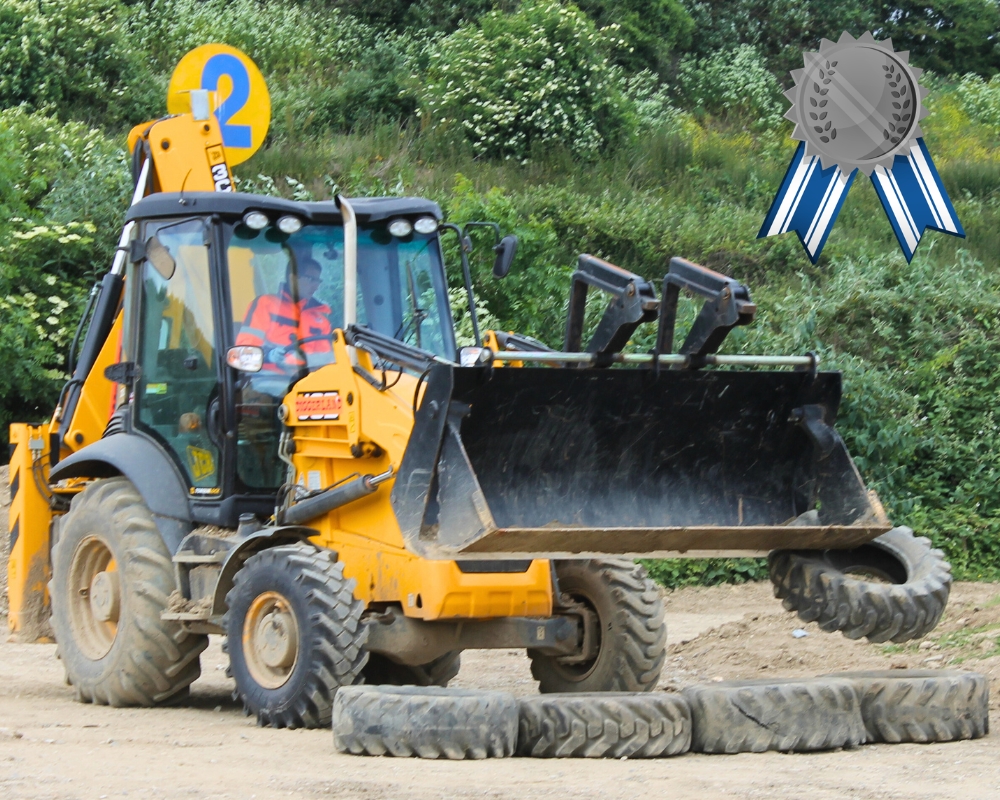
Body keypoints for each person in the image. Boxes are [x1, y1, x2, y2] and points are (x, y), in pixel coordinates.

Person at [236, 257, 334, 375]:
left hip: (309, 384)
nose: (316, 286)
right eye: (310, 279)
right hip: (265, 381)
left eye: (318, 281)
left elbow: (326, 360)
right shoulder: (265, 305)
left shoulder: (321, 320)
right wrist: (269, 356)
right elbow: (245, 355)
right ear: (292, 279)